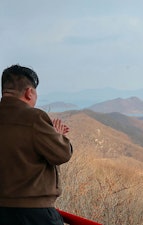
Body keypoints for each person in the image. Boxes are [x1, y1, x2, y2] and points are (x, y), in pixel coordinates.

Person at [0, 64, 73, 225]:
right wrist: (58, 136)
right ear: (29, 92)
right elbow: (62, 154)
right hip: (34, 214)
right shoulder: (33, 118)